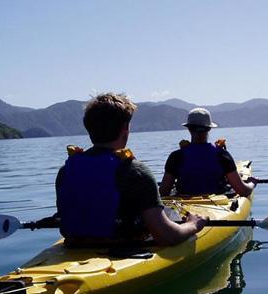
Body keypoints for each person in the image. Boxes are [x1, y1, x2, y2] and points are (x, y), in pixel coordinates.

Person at [55, 93, 205, 247]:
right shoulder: (136, 172)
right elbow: (167, 237)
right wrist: (193, 224)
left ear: (89, 129)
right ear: (125, 128)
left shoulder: (65, 171)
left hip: (75, 245)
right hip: (124, 247)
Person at [159, 108, 256, 197]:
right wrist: (252, 184)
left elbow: (163, 192)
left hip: (184, 209)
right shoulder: (222, 155)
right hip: (217, 208)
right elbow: (243, 191)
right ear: (209, 128)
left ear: (189, 128)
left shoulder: (176, 156)